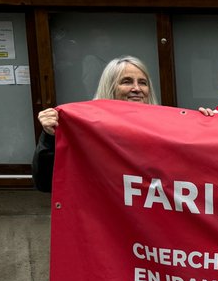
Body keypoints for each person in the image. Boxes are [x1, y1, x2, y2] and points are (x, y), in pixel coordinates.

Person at [32, 55, 157, 192]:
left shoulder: (161, 129)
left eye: (143, 83)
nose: (137, 88)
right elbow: (45, 182)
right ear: (109, 87)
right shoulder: (85, 128)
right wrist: (49, 137)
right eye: (127, 82)